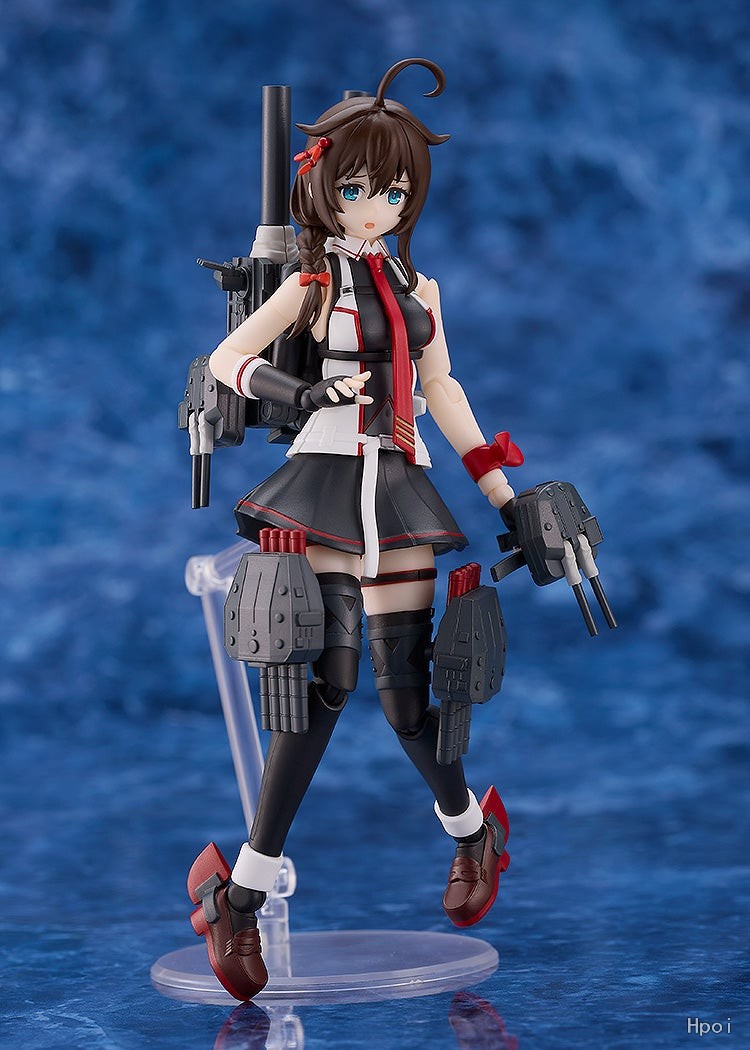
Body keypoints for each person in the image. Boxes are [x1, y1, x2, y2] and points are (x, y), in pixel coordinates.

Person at [188, 58, 518, 1001]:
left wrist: (507, 497)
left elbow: (444, 391)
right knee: (321, 692)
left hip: (402, 492)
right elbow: (227, 359)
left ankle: (474, 835)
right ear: (325, 186)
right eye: (358, 189)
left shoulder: (421, 286)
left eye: (394, 192)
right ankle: (240, 895)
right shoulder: (307, 283)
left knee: (410, 697)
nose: (375, 207)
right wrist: (304, 393)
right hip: (326, 486)